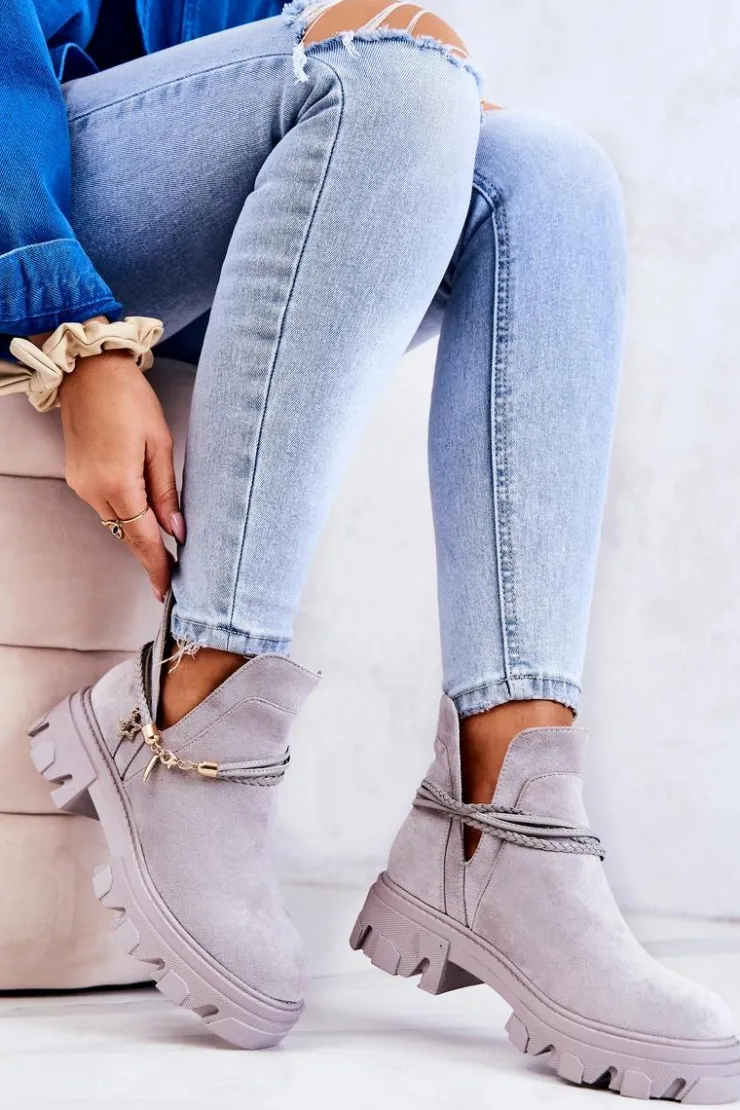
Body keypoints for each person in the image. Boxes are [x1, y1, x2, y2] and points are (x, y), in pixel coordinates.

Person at [3, 0, 738, 1100]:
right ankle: (191, 715)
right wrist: (73, 336)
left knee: (543, 173)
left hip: (142, 205)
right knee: (389, 66)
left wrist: (415, 131)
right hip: (26, 184)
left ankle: (504, 826)